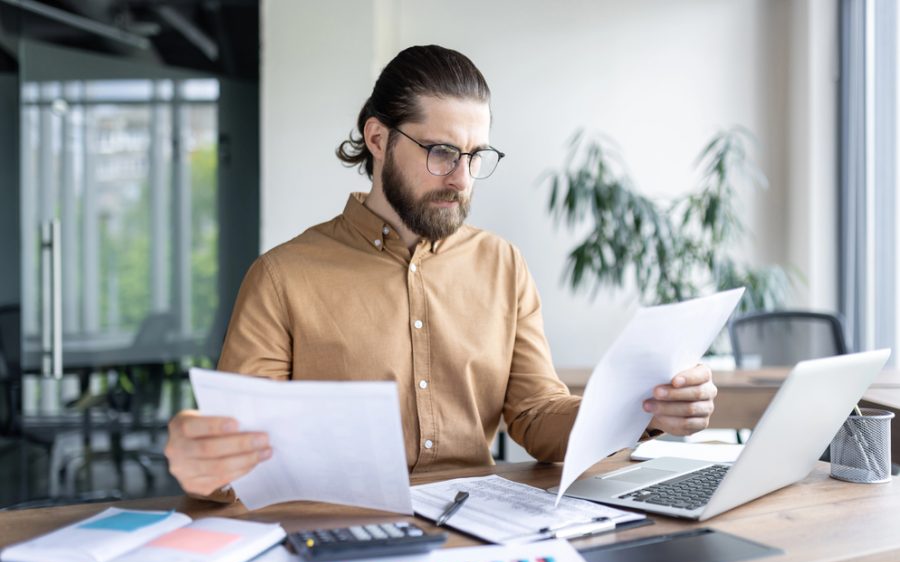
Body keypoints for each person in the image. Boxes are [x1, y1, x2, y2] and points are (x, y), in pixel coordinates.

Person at [165, 45, 718, 501]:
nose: (461, 178)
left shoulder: (503, 264)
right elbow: (235, 456)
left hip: (480, 526)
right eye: (441, 152)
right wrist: (203, 462)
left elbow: (536, 415)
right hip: (338, 534)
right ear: (377, 139)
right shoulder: (282, 276)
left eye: (475, 156)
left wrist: (646, 408)